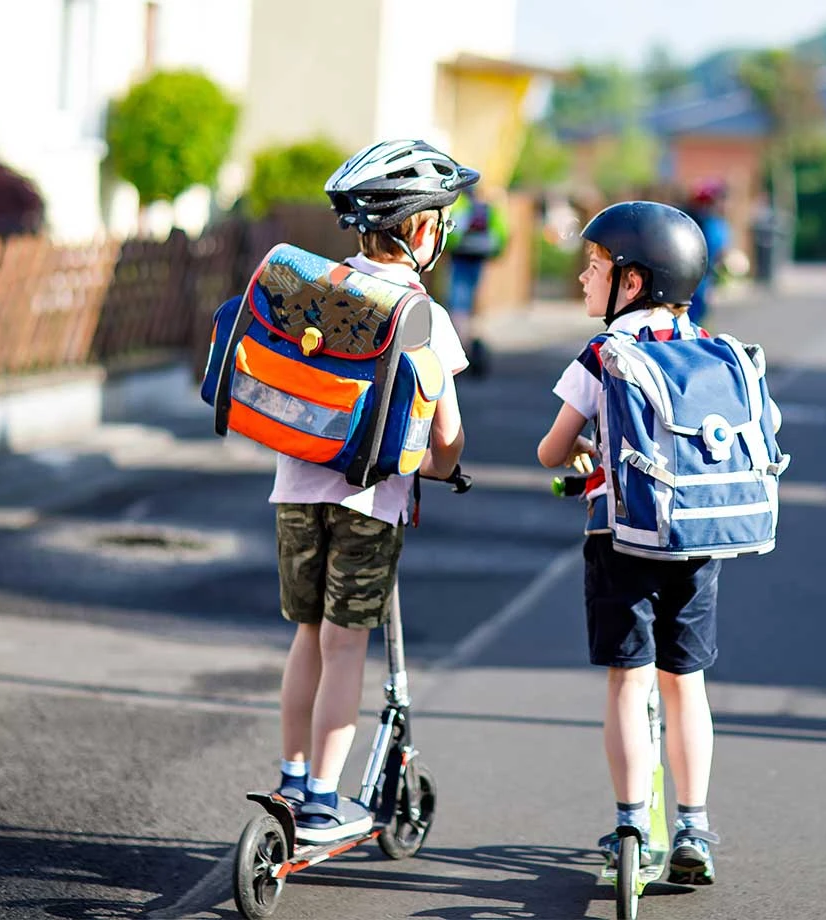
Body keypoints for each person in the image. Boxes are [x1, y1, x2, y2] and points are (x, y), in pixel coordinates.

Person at [537, 200, 767, 886]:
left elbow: (552, 448)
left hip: (624, 538)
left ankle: (634, 821)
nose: (584, 278)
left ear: (632, 282)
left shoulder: (605, 354)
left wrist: (583, 447)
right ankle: (694, 824)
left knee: (627, 678)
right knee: (684, 683)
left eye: (596, 266)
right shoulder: (715, 351)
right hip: (700, 538)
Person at [270, 139, 474, 843]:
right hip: (370, 501)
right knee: (345, 645)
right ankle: (324, 799)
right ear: (421, 230)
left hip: (295, 487)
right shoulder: (424, 316)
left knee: (306, 638)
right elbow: (446, 437)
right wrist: (447, 469)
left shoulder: (315, 290)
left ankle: (291, 776)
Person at [445, 184, 509, 376]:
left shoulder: (460, 206)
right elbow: (502, 234)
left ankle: (461, 346)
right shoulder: (488, 208)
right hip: (479, 257)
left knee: (458, 302)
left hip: (460, 257)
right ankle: (474, 340)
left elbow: (450, 233)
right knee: (473, 300)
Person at [682, 179, 731, 326]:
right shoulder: (708, 223)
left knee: (698, 314)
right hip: (695, 278)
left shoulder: (716, 224)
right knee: (692, 316)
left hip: (704, 277)